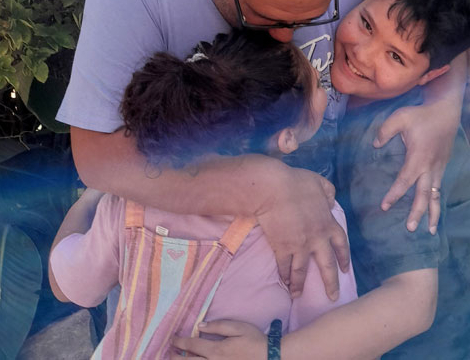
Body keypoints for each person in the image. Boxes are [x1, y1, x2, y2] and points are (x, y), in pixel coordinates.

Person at [57, 0, 470, 300]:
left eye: (311, 17)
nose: (285, 39)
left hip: (295, 271)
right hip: (168, 276)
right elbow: (98, 158)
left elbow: (448, 35)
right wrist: (267, 187)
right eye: (264, 16)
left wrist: (443, 111)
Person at [173, 0, 470, 360]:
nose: (363, 53)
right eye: (366, 24)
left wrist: (272, 353)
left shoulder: (391, 146)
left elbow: (413, 304)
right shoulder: (339, 87)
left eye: (396, 57)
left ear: (429, 77)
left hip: (464, 341)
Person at [49, 31, 358, 358]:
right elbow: (333, 340)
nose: (323, 89)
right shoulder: (313, 220)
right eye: (318, 84)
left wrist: (92, 198)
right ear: (288, 138)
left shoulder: (130, 203)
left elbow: (66, 287)